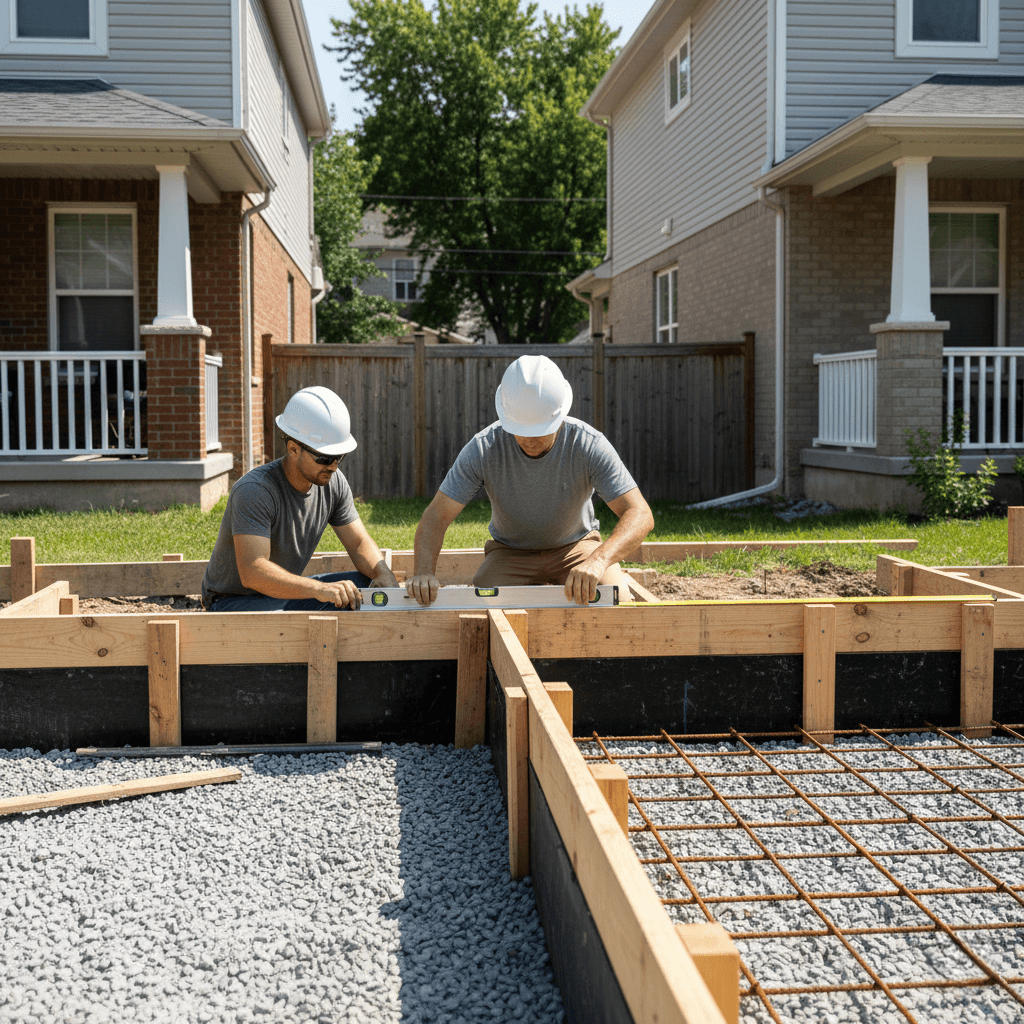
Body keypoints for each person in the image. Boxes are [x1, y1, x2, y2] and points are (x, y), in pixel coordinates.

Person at [406, 355, 654, 607]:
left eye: (540, 432)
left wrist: (598, 560)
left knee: (615, 599)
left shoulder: (588, 444)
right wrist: (424, 571)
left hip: (575, 548)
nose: (530, 440)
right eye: (521, 432)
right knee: (484, 599)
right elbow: (436, 516)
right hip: (510, 551)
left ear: (559, 417)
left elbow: (640, 513)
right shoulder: (483, 448)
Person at [202, 385, 397, 612]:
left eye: (339, 456)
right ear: (293, 449)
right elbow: (254, 572)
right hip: (234, 601)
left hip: (282, 594)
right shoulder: (255, 490)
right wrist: (319, 589)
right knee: (339, 604)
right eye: (324, 457)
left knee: (367, 587)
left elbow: (358, 543)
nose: (333, 466)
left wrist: (384, 575)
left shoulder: (332, 482)